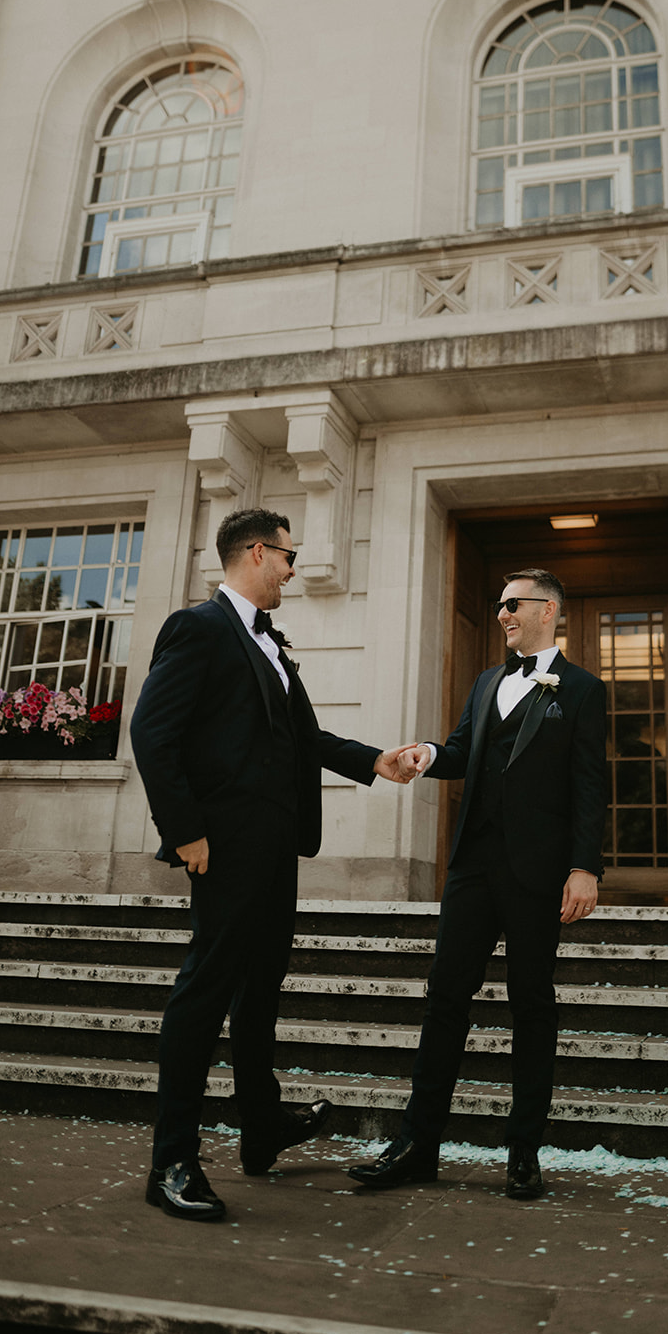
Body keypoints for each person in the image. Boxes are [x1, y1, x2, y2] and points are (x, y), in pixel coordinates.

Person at [131, 507, 418, 1222]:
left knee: (259, 992)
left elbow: (300, 736)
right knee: (203, 994)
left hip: (272, 850)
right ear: (257, 552)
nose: (294, 567)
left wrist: (373, 761)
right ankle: (171, 1160)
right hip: (222, 848)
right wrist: (186, 832)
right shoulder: (197, 627)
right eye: (288, 556)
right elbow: (151, 733)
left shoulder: (271, 644)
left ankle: (260, 1126)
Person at [348, 568, 607, 1201]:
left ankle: (524, 1153)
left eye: (512, 604)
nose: (500, 614)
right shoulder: (489, 680)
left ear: (548, 610)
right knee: (444, 1002)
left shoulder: (582, 690)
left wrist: (585, 867)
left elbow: (589, 785)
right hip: (472, 866)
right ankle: (417, 1145)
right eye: (497, 605)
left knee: (531, 1006)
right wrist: (429, 755)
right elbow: (465, 748)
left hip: (538, 874)